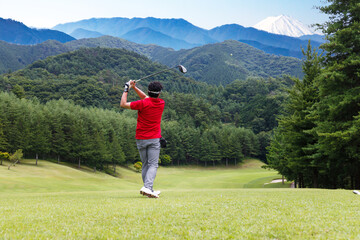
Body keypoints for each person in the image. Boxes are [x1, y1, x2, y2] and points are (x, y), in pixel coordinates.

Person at [120, 80, 165, 198]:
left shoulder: (142, 103)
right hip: (154, 138)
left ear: (149, 91)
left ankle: (149, 189)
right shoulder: (161, 103)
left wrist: (128, 88)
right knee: (153, 165)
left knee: (145, 164)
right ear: (159, 93)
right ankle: (147, 187)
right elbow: (147, 97)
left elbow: (123, 104)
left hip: (140, 138)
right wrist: (133, 88)